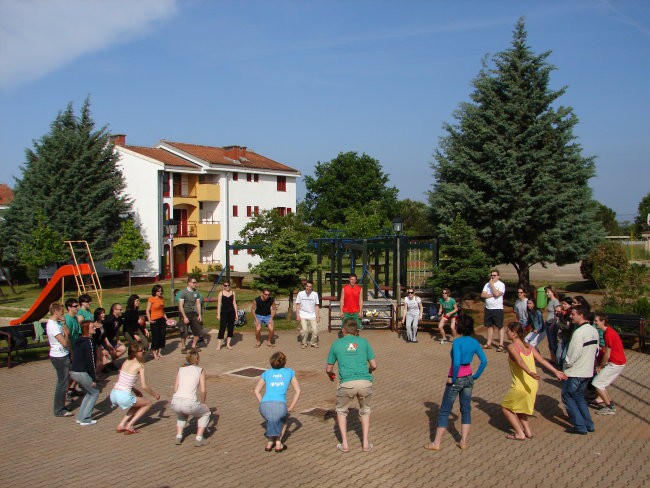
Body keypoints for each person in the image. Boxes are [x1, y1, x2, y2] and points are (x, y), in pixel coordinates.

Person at [424, 315, 487, 451]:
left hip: (456, 378)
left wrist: (453, 378)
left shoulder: (457, 342)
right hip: (469, 377)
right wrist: (476, 375)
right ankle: (463, 441)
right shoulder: (474, 342)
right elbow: (484, 361)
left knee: (445, 410)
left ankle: (436, 442)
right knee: (466, 409)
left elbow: (457, 362)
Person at [501, 322, 567, 440]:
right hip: (532, 384)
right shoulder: (529, 347)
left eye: (508, 330)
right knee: (521, 408)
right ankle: (528, 432)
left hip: (521, 384)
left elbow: (520, 362)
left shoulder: (511, 347)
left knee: (506, 408)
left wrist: (530, 372)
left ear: (514, 333)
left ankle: (519, 433)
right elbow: (541, 360)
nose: (506, 332)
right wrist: (556, 371)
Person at [326, 319, 377, 452]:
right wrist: (370, 371)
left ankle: (345, 444)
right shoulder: (364, 342)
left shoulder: (336, 344)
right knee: (365, 411)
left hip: (347, 383)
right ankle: (365, 444)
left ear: (343, 330)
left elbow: (329, 368)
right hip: (365, 382)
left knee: (342, 411)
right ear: (356, 331)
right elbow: (374, 365)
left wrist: (331, 375)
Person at [561, 305, 599, 435]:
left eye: (573, 314)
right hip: (588, 370)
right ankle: (589, 424)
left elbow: (573, 354)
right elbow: (597, 350)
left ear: (581, 315)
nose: (571, 316)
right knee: (579, 397)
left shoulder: (579, 332)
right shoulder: (593, 330)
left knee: (567, 396)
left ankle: (579, 426)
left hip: (576, 371)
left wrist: (565, 367)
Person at [254, 351, 301, 452]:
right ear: (284, 362)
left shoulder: (266, 373)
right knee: (283, 420)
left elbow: (256, 391)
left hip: (264, 406)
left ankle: (270, 442)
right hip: (280, 405)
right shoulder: (289, 372)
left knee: (270, 418)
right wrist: (291, 407)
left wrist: (262, 403)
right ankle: (278, 443)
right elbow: (298, 391)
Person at [109, 343, 160, 434]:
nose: (143, 351)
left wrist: (135, 390)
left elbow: (125, 378)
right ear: (135, 353)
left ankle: (121, 425)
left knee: (137, 404)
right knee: (148, 403)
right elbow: (144, 386)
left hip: (114, 393)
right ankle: (129, 425)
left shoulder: (126, 361)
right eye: (141, 350)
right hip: (123, 396)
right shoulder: (140, 366)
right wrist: (155, 394)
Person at [171, 349, 211, 446]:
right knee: (206, 413)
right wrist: (203, 402)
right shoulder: (200, 370)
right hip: (189, 402)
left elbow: (175, 388)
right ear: (197, 359)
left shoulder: (181, 369)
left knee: (182, 413)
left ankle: (179, 436)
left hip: (175, 402)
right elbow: (203, 390)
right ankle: (199, 438)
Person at [591, 312, 626, 415]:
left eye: (596, 321)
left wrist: (600, 366)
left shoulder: (609, 334)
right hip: (617, 362)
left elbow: (607, 353)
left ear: (603, 321)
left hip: (616, 363)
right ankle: (609, 404)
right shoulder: (608, 332)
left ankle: (610, 407)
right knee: (601, 383)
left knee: (597, 383)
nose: (595, 323)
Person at [69, 321, 100, 426]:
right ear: (87, 329)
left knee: (89, 393)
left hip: (74, 371)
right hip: (82, 372)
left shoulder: (79, 340)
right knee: (95, 393)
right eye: (92, 327)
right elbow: (91, 361)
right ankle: (85, 418)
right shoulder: (89, 342)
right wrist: (94, 378)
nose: (94, 328)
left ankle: (81, 417)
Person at [46, 302, 73, 417]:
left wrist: (64, 324)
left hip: (64, 355)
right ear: (56, 312)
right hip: (59, 357)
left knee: (65, 381)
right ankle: (59, 409)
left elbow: (69, 333)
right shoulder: (52, 325)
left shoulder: (58, 323)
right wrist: (66, 334)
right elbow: (64, 342)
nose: (63, 313)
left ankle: (61, 405)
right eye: (62, 311)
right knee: (62, 383)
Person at [178, 277, 210, 353]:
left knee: (198, 330)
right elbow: (180, 306)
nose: (195, 284)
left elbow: (198, 303)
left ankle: (193, 346)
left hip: (193, 313)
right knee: (184, 332)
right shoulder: (183, 292)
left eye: (195, 282)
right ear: (189, 283)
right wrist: (185, 317)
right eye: (193, 282)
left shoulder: (196, 292)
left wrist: (199, 315)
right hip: (184, 313)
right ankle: (183, 347)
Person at [481, 269, 506, 351]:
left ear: (498, 276)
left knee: (500, 326)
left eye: (494, 275)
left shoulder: (501, 285)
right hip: (488, 308)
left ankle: (501, 344)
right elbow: (483, 295)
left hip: (497, 308)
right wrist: (492, 294)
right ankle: (489, 343)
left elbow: (497, 294)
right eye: (491, 275)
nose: (493, 277)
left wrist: (492, 285)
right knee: (489, 326)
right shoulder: (486, 284)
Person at [296, 281, 320, 348]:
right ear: (305, 286)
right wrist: (297, 315)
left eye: (310, 287)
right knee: (304, 330)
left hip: (312, 315)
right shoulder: (300, 294)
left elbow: (316, 306)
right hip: (303, 314)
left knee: (315, 330)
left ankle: (313, 342)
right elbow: (298, 304)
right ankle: (304, 343)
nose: (308, 288)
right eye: (307, 286)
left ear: (312, 287)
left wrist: (317, 316)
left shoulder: (315, 294)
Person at [102, 303, 127, 367]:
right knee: (110, 352)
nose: (121, 311)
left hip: (111, 340)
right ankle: (103, 366)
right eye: (120, 309)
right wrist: (107, 343)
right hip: (104, 340)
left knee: (123, 348)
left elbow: (117, 330)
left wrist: (118, 340)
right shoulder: (109, 319)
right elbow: (103, 332)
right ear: (114, 310)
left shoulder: (119, 319)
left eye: (122, 309)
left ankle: (110, 363)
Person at [147, 285, 168, 359]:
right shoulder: (151, 299)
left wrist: (166, 318)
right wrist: (149, 319)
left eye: (161, 290)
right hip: (154, 320)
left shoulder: (162, 299)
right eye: (158, 291)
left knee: (162, 335)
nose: (160, 292)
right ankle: (154, 352)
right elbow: (147, 310)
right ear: (155, 292)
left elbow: (162, 310)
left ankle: (159, 352)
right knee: (156, 336)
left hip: (162, 319)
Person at [216, 281, 238, 350]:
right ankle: (219, 345)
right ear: (223, 286)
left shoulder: (233, 293)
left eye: (228, 285)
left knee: (231, 328)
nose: (227, 287)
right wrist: (218, 314)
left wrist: (236, 314)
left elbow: (234, 303)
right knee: (222, 328)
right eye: (225, 285)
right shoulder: (221, 293)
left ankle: (228, 344)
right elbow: (219, 304)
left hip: (232, 312)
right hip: (224, 312)